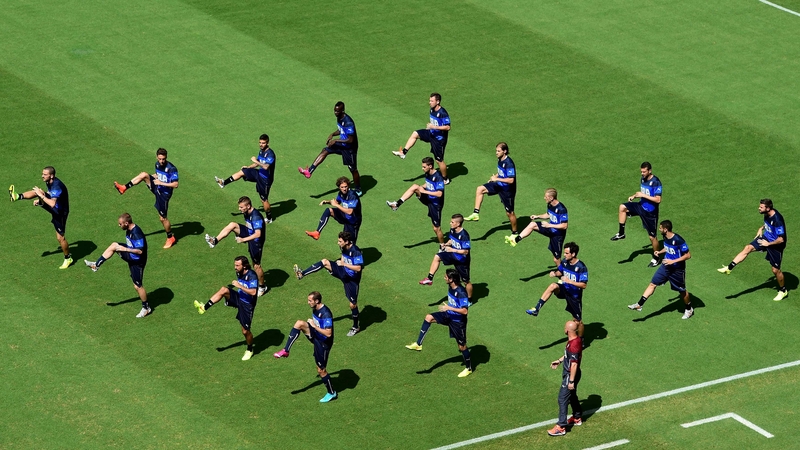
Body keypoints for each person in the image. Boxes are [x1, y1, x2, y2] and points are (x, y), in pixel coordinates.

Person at [405, 269, 473, 378]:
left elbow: (465, 311)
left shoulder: (461, 292)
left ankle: (468, 368)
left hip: (457, 322)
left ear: (451, 279)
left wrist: (448, 307)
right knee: (428, 317)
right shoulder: (450, 286)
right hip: (448, 315)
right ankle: (418, 344)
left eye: (446, 277)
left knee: (462, 347)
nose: (444, 278)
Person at [294, 232, 363, 336]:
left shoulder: (356, 251)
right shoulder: (343, 247)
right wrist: (340, 264)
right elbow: (343, 256)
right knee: (325, 262)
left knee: (352, 305)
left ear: (347, 242)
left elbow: (358, 268)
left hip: (351, 281)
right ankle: (302, 274)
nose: (338, 243)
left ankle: (355, 326)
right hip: (343, 271)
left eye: (340, 241)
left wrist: (344, 263)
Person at [718, 198, 788, 301]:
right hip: (767, 238)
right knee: (748, 247)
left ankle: (783, 290)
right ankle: (729, 268)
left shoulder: (777, 219)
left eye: (761, 207)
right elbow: (767, 223)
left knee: (775, 270)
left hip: (775, 245)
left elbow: (781, 239)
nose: (759, 208)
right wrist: (761, 228)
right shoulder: (767, 214)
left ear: (768, 208)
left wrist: (768, 244)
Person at [273, 291, 338, 403]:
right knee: (299, 323)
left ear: (316, 301)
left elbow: (328, 333)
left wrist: (313, 325)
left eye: (310, 301)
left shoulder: (326, 313)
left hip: (323, 343)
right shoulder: (316, 309)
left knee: (321, 370)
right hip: (317, 337)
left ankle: (332, 393)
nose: (308, 303)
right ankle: (286, 350)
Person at [84, 213, 150, 318]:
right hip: (131, 256)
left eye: (120, 224)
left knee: (138, 286)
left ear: (126, 223)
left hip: (137, 261)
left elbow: (140, 251)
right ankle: (96, 265)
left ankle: (146, 308)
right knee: (114, 245)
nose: (119, 226)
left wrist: (125, 249)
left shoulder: (136, 233)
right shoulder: (129, 229)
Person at [193, 256, 259, 361]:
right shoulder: (239, 272)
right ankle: (204, 307)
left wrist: (239, 286)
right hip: (239, 297)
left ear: (245, 266)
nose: (235, 267)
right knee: (224, 290)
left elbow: (254, 292)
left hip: (247, 304)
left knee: (245, 331)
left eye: (237, 265)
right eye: (235, 265)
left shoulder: (252, 275)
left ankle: (250, 349)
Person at [114, 148, 179, 249]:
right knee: (144, 174)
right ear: (157, 157)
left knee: (162, 218)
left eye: (163, 159)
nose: (161, 161)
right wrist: (151, 177)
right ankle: (124, 188)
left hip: (164, 194)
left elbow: (175, 184)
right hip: (158, 188)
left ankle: (170, 237)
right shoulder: (157, 164)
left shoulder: (171, 168)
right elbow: (159, 175)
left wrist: (160, 182)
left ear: (166, 157)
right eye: (160, 159)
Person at [9, 166, 73, 269]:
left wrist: (41, 197)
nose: (42, 176)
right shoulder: (49, 182)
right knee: (38, 192)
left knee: (60, 238)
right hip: (55, 206)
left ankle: (68, 258)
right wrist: (40, 198)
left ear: (51, 176)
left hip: (59, 212)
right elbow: (50, 195)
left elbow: (52, 204)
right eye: (42, 174)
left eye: (45, 174)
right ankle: (17, 196)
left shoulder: (57, 186)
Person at [628, 220, 694, 319]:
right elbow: (668, 248)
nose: (659, 229)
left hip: (677, 270)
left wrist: (673, 261)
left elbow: (688, 255)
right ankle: (639, 305)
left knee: (682, 291)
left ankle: (689, 309)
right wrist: (659, 252)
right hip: (665, 267)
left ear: (665, 229)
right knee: (652, 284)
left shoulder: (678, 240)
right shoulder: (665, 237)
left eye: (660, 228)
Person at [205, 196, 269, 297]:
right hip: (249, 233)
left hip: (256, 242)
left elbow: (258, 234)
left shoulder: (256, 216)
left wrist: (243, 239)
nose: (239, 209)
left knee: (256, 265)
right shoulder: (246, 212)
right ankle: (214, 241)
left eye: (241, 207)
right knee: (232, 225)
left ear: (248, 206)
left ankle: (262, 287)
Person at [299, 102, 362, 196]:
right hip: (342, 144)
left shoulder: (348, 122)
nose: (335, 113)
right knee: (325, 150)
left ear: (342, 110)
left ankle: (358, 189)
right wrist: (333, 134)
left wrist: (336, 141)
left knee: (353, 169)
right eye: (334, 110)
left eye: (337, 111)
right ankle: (309, 171)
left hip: (349, 149)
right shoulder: (339, 118)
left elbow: (350, 140)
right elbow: (341, 130)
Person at [526, 242, 587, 339]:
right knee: (553, 286)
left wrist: (569, 281)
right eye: (564, 252)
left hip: (574, 296)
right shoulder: (565, 262)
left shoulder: (581, 267)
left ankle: (581, 340)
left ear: (573, 254)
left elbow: (584, 285)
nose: (564, 255)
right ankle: (537, 309)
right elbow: (561, 272)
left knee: (577, 321)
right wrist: (555, 273)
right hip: (564, 290)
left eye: (567, 253)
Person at [214, 134, 276, 223]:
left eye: (263, 143)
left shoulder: (270, 154)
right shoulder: (261, 151)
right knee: (243, 171)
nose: (261, 144)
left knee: (263, 200)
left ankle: (269, 218)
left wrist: (256, 162)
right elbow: (256, 163)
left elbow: (266, 167)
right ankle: (223, 183)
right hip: (259, 173)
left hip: (265, 179)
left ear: (268, 143)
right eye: (260, 143)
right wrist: (248, 167)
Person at [610, 162, 662, 267]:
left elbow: (658, 199)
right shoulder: (643, 179)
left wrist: (642, 195)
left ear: (649, 171)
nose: (642, 173)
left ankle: (657, 257)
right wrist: (634, 196)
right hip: (640, 206)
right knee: (622, 207)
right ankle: (621, 233)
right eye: (641, 172)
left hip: (650, 213)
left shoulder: (656, 182)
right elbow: (643, 193)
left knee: (652, 237)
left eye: (644, 171)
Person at [393, 93, 452, 185]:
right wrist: (432, 127)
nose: (429, 102)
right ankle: (403, 152)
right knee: (415, 134)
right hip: (431, 133)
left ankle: (445, 178)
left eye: (432, 101)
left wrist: (433, 126)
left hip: (439, 139)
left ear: (438, 101)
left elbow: (448, 127)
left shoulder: (443, 113)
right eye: (430, 100)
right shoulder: (432, 109)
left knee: (439, 160)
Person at [386, 157, 446, 245]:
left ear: (430, 166)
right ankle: (396, 204)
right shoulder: (427, 173)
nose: (422, 169)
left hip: (435, 204)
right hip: (428, 198)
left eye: (424, 167)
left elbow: (440, 194)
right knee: (415, 186)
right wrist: (421, 187)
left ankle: (442, 246)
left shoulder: (438, 177)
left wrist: (424, 191)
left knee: (436, 228)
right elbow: (428, 184)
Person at [505, 188, 568, 267]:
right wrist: (537, 216)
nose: (544, 198)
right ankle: (516, 240)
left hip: (557, 235)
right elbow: (548, 214)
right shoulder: (550, 204)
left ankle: (562, 276)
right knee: (533, 224)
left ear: (551, 198)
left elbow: (564, 226)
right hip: (549, 229)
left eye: (546, 197)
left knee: (556, 259)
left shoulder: (561, 209)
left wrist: (549, 225)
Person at [464, 142, 517, 234]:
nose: (496, 153)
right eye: (496, 151)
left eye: (498, 151)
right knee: (480, 189)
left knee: (510, 213)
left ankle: (515, 233)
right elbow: (501, 172)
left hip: (507, 190)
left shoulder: (509, 163)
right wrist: (494, 178)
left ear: (505, 151)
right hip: (499, 184)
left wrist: (496, 179)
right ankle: (476, 213)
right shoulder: (500, 159)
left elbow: (511, 180)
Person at [420, 214, 473, 300]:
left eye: (452, 222)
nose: (450, 223)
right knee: (437, 257)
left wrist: (452, 250)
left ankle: (469, 299)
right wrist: (447, 244)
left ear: (458, 224)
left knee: (466, 281)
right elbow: (451, 240)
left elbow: (466, 251)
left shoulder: (464, 235)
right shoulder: (452, 230)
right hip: (453, 255)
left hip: (462, 260)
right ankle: (429, 278)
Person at [547, 321, 583, 437]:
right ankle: (577, 417)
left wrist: (571, 381)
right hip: (572, 373)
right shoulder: (575, 340)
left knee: (562, 398)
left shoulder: (573, 344)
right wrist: (559, 360)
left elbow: (574, 364)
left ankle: (561, 426)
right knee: (572, 395)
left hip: (570, 375)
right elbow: (569, 356)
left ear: (567, 330)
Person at [305, 176, 362, 244]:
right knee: (328, 210)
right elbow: (337, 202)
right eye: (342, 187)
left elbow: (350, 211)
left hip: (353, 221)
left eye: (346, 186)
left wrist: (336, 205)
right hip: (345, 216)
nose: (344, 189)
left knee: (349, 243)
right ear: (339, 187)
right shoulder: (340, 194)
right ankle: (317, 233)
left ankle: (356, 253)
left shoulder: (352, 195)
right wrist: (327, 202)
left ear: (348, 186)